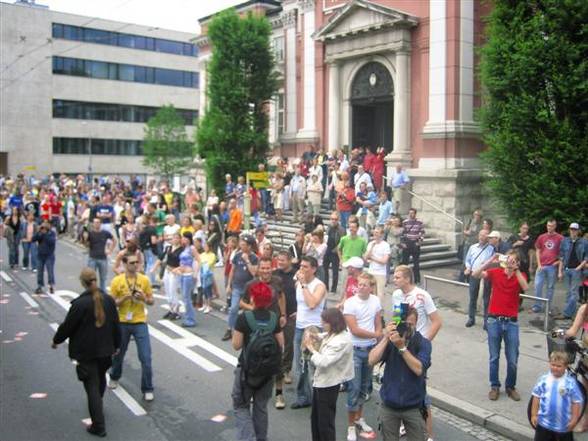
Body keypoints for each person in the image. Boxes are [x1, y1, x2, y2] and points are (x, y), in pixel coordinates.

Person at [52, 268, 121, 438]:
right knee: (99, 380)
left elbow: (67, 326)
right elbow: (116, 324)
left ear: (82, 282)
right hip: (106, 350)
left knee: (91, 387)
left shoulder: (79, 304)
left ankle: (98, 425)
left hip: (86, 352)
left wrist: (56, 340)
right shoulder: (108, 300)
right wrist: (117, 344)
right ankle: (98, 405)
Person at [390, 265, 442, 440]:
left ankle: (428, 434)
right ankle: (406, 424)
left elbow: (436, 321)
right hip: (401, 345)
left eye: (397, 277)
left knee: (420, 392)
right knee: (402, 385)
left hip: (417, 347)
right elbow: (397, 318)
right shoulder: (396, 295)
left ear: (407, 278)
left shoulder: (422, 296)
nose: (393, 279)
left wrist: (425, 342)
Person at [368, 307, 432, 441]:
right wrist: (386, 337)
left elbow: (418, 369)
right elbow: (371, 360)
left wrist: (402, 348)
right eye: (403, 324)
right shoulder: (390, 340)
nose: (406, 327)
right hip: (390, 405)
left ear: (416, 323)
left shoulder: (423, 343)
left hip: (414, 406)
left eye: (410, 324)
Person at [231, 282, 284, 441]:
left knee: (241, 405)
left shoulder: (244, 318)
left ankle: (248, 438)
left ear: (253, 298)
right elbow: (280, 343)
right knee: (261, 406)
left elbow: (236, 345)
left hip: (247, 371)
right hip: (267, 373)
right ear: (269, 301)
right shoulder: (273, 319)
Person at [473, 250, 528, 401]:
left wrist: (516, 270)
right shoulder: (496, 272)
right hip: (494, 320)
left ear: (517, 263)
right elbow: (476, 274)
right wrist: (491, 259)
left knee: (512, 358)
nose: (510, 262)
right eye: (508, 259)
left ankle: (510, 386)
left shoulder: (520, 275)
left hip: (511, 322)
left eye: (514, 260)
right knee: (494, 357)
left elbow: (526, 287)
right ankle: (494, 386)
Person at [108, 251, 155, 401]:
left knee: (146, 357)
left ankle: (147, 388)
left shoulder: (144, 280)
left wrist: (144, 298)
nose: (135, 266)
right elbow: (111, 303)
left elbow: (151, 301)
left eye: (137, 263)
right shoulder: (117, 281)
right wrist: (123, 299)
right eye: (132, 263)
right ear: (124, 264)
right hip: (122, 322)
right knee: (118, 354)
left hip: (140, 321)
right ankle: (114, 376)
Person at [305, 307, 354, 441]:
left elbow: (323, 362)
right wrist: (316, 336)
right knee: (316, 419)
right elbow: (325, 335)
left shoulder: (341, 341)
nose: (322, 324)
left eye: (324, 322)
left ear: (332, 323)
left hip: (328, 383)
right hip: (322, 382)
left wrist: (311, 349)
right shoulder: (337, 333)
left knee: (325, 423)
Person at [343, 273, 382, 441]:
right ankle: (351, 426)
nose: (361, 287)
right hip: (355, 349)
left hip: (370, 349)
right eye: (360, 284)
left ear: (371, 287)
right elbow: (354, 329)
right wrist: (376, 334)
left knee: (365, 387)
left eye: (365, 285)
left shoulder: (375, 301)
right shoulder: (350, 303)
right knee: (354, 387)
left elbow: (378, 321)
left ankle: (360, 418)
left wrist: (378, 336)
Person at [292, 256, 327, 409]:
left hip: (312, 328)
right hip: (300, 326)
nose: (302, 269)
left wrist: (304, 285)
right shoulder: (298, 284)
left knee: (313, 364)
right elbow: (302, 304)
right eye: (301, 266)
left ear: (314, 269)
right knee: (300, 365)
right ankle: (303, 396)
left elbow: (312, 304)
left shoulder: (319, 285)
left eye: (306, 267)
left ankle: (319, 397)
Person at [531, 351, 583, 441]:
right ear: (549, 363)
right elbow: (536, 396)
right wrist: (534, 414)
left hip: (563, 425)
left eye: (559, 366)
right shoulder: (544, 380)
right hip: (544, 423)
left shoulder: (570, 383)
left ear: (566, 366)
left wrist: (574, 419)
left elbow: (576, 402)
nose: (555, 368)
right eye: (553, 365)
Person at [223, 235, 259, 341]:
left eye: (243, 244)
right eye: (241, 244)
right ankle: (230, 329)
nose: (241, 246)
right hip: (237, 286)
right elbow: (232, 270)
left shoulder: (255, 258)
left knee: (248, 310)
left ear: (249, 246)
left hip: (249, 289)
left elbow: (254, 273)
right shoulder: (237, 255)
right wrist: (229, 285)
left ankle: (246, 331)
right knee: (233, 308)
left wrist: (247, 260)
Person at [273, 251, 298, 389]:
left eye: (283, 260)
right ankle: (274, 369)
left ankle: (286, 370)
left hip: (291, 314)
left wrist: (299, 311)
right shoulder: (274, 274)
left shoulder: (296, 275)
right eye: (278, 260)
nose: (280, 262)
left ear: (289, 261)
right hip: (275, 314)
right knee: (274, 343)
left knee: (288, 344)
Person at [464, 230, 495, 328]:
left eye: (484, 236)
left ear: (488, 238)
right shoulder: (472, 247)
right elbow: (467, 260)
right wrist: (468, 267)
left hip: (485, 276)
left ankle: (486, 321)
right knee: (473, 297)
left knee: (486, 299)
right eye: (480, 235)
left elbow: (493, 263)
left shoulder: (491, 249)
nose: (481, 237)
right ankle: (471, 318)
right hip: (474, 275)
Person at [532, 219, 564, 313]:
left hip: (552, 267)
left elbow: (563, 254)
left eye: (552, 226)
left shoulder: (560, 238)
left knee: (550, 288)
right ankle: (537, 306)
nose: (549, 227)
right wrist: (538, 264)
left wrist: (558, 263)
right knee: (538, 286)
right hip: (541, 266)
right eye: (548, 225)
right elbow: (537, 250)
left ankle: (547, 307)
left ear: (555, 226)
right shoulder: (541, 237)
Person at [559, 223, 588, 320]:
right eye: (571, 229)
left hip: (576, 270)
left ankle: (567, 313)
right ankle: (570, 314)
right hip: (567, 269)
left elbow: (586, 257)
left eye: (575, 229)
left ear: (578, 230)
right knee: (568, 292)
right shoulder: (565, 241)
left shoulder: (584, 242)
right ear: (569, 230)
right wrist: (560, 270)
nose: (573, 231)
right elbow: (561, 256)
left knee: (574, 293)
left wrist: (579, 267)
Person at [83, 218, 115, 293]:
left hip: (103, 258)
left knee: (103, 278)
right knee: (90, 277)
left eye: (98, 222)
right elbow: (86, 245)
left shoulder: (105, 233)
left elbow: (114, 240)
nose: (96, 224)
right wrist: (85, 238)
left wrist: (110, 250)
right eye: (95, 222)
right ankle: (90, 292)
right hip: (92, 257)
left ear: (100, 224)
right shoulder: (90, 233)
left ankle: (103, 293)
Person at [364, 226, 391, 304]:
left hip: (380, 273)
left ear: (381, 234)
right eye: (374, 232)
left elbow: (384, 261)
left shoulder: (385, 245)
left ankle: (380, 312)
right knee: (370, 293)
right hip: (371, 271)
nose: (374, 234)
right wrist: (372, 247)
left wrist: (372, 258)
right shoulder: (370, 244)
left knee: (380, 295)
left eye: (377, 232)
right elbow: (365, 257)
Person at [177, 232, 200, 328]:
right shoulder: (184, 248)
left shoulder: (192, 248)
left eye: (185, 238)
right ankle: (188, 317)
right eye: (183, 238)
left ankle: (191, 319)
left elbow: (198, 260)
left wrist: (195, 273)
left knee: (187, 298)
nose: (183, 239)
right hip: (182, 274)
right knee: (184, 297)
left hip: (189, 274)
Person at [401, 208, 425, 285]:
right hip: (407, 242)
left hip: (415, 243)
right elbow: (403, 233)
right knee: (405, 262)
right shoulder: (405, 222)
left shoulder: (419, 222)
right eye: (410, 213)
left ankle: (417, 280)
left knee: (416, 263)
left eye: (412, 213)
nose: (411, 214)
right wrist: (403, 243)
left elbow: (422, 232)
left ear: (415, 214)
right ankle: (404, 278)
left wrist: (419, 242)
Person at [324, 212, 346, 293]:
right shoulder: (329, 227)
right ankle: (326, 287)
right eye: (332, 219)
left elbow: (342, 242)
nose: (333, 221)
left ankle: (333, 289)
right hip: (327, 250)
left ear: (338, 220)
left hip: (335, 252)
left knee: (335, 272)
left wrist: (336, 250)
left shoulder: (342, 229)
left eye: (335, 219)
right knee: (324, 270)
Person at [33, 220, 57, 294]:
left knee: (50, 271)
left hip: (49, 255)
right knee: (40, 271)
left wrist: (45, 234)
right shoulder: (40, 233)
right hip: (40, 255)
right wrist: (38, 232)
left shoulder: (52, 233)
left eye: (46, 224)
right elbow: (33, 239)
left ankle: (51, 285)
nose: (45, 225)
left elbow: (52, 242)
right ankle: (40, 286)